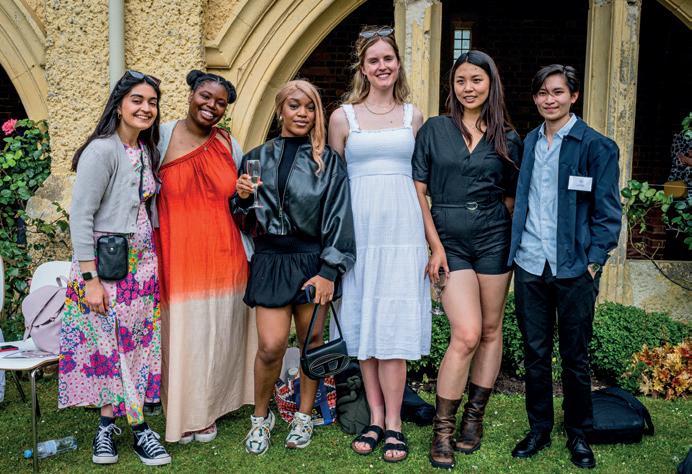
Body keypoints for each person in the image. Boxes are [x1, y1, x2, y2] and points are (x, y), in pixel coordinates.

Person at [231, 79, 355, 455]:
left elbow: (339, 218)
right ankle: (261, 417)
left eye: (310, 107)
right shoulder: (256, 157)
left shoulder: (328, 162)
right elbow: (246, 223)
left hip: (311, 261)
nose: (303, 113)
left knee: (310, 345)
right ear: (280, 110)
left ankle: (303, 415)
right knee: (270, 346)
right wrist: (241, 200)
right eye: (295, 106)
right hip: (270, 260)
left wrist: (329, 271)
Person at [412, 50, 521, 469]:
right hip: (449, 242)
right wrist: (435, 246)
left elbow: (511, 196)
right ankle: (442, 430)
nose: (468, 88)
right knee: (467, 333)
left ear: (491, 84)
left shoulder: (508, 137)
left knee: (491, 330)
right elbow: (418, 191)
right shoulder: (435, 130)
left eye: (476, 80)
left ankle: (473, 419)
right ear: (452, 86)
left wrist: (495, 225)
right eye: (461, 81)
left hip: (494, 240)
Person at [508, 64, 621, 469]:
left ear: (573, 96)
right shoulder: (530, 142)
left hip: (574, 268)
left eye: (557, 92)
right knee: (535, 353)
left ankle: (579, 433)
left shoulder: (596, 146)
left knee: (575, 356)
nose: (549, 100)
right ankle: (539, 428)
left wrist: (594, 262)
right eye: (542, 93)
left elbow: (608, 213)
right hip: (530, 263)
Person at [328, 25, 430, 464]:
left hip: (403, 233)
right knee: (364, 326)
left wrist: (433, 243)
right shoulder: (342, 118)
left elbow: (422, 182)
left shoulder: (413, 117)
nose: (382, 65)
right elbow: (333, 184)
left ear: (398, 64)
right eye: (374, 60)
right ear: (363, 68)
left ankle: (395, 424)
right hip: (360, 233)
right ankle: (374, 418)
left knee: (393, 327)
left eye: (388, 58)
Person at [59, 70, 171, 466]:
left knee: (136, 347)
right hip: (105, 270)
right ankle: (138, 431)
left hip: (141, 269)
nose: (145, 108)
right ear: (119, 105)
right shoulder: (102, 150)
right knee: (109, 348)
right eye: (137, 100)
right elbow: (81, 217)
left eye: (152, 102)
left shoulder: (145, 150)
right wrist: (90, 279)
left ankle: (108, 426)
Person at [155, 70, 256, 444]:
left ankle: (213, 407)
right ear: (191, 94)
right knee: (186, 334)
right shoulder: (160, 137)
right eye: (205, 96)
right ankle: (186, 412)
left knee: (222, 332)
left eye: (220, 103)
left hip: (226, 253)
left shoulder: (229, 143)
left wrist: (245, 193)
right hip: (179, 251)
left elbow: (242, 201)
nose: (211, 106)